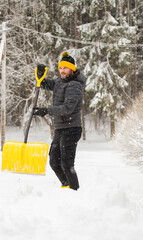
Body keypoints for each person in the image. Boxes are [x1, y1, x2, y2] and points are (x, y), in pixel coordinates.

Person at [33, 51, 87, 190]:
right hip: (60, 128)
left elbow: (67, 108)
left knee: (67, 164)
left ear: (72, 69)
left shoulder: (75, 85)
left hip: (71, 128)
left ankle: (74, 191)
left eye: (65, 68)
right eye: (61, 68)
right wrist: (40, 78)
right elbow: (47, 84)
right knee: (54, 162)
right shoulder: (59, 81)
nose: (62, 71)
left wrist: (46, 110)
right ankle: (67, 187)